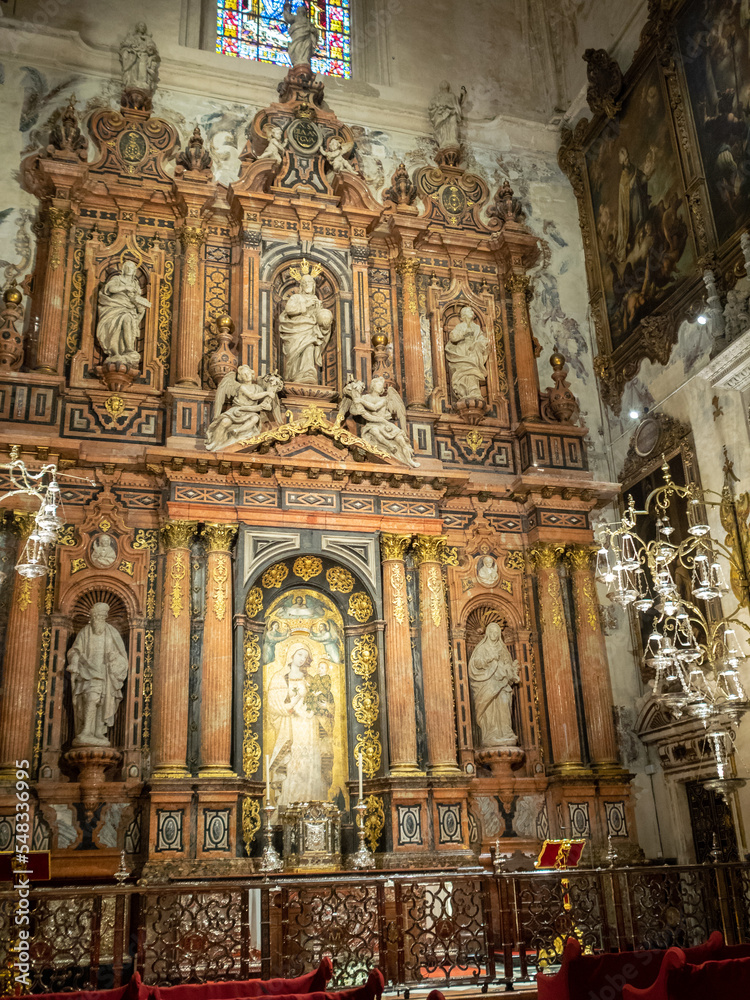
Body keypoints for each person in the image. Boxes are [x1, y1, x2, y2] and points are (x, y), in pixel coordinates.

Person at [267, 644, 333, 806]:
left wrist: (323, 705)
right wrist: (297, 699)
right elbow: (276, 706)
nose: (302, 659)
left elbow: (324, 702)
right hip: (292, 727)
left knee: (311, 760)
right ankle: (290, 803)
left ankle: (313, 803)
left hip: (310, 726)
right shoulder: (280, 678)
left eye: (305, 656)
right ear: (291, 655)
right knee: (295, 761)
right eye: (299, 655)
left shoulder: (310, 679)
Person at [66, 603, 129, 747]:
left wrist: (115, 659)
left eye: (100, 617)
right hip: (88, 673)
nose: (97, 620)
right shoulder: (85, 632)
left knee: (104, 701)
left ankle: (99, 731)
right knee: (91, 698)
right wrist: (75, 660)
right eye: (95, 617)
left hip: (106, 675)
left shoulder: (112, 633)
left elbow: (122, 658)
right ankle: (86, 731)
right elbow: (75, 650)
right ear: (92, 618)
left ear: (105, 617)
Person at [468, 622, 520, 748]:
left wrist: (512, 669)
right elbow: (475, 664)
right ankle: (492, 733)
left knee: (504, 705)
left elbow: (507, 664)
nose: (494, 634)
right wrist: (489, 659)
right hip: (488, 683)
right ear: (487, 634)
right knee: (490, 708)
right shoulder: (482, 648)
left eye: (496, 632)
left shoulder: (503, 649)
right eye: (491, 632)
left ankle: (505, 731)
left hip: (502, 684)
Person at [279, 272, 333, 384]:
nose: (308, 284)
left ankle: (308, 373)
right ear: (301, 286)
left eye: (310, 282)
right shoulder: (296, 297)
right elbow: (289, 310)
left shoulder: (317, 301)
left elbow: (320, 318)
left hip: (310, 331)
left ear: (313, 285)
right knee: (295, 353)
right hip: (295, 330)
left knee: (309, 348)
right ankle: (294, 375)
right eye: (305, 282)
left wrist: (325, 323)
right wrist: (306, 306)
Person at [95, 261, 151, 366]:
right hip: (114, 307)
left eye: (132, 267)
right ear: (124, 269)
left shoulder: (135, 284)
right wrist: (125, 288)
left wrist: (140, 304)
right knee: (117, 325)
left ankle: (129, 349)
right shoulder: (117, 279)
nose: (130, 269)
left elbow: (137, 297)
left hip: (129, 308)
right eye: (128, 267)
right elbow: (110, 289)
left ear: (134, 271)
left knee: (128, 319)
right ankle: (116, 352)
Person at [445, 306, 489, 400]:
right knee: (465, 369)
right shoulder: (460, 326)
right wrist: (465, 334)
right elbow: (453, 337)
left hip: (473, 352)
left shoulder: (476, 327)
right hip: (462, 351)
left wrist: (482, 342)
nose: (472, 312)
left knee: (472, 370)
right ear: (464, 315)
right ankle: (465, 392)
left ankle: (474, 391)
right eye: (469, 311)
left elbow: (481, 337)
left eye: (472, 311)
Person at [283, 1, 319, 67]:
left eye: (302, 11)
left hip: (306, 36)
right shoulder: (295, 18)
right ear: (297, 12)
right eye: (299, 11)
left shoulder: (307, 21)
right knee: (297, 47)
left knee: (307, 47)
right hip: (297, 35)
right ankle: (298, 59)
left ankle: (304, 59)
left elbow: (313, 30)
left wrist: (311, 29)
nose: (301, 12)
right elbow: (288, 17)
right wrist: (286, 10)